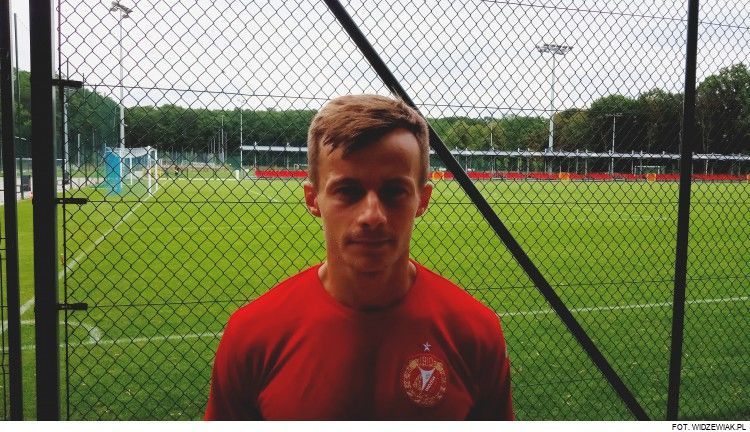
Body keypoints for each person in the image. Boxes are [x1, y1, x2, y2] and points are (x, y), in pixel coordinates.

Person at [205, 94, 514, 420]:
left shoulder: (475, 333)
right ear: (313, 199)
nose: (372, 216)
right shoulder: (252, 337)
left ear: (422, 200)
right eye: (348, 191)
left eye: (394, 191)